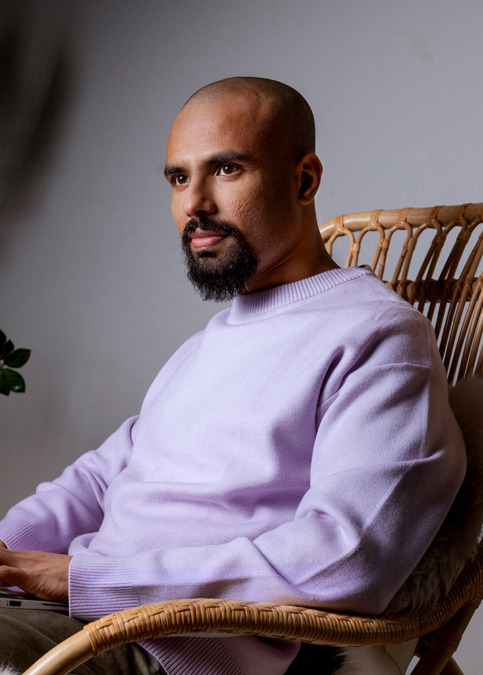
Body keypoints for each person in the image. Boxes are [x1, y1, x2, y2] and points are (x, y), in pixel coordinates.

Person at [0, 77, 466, 675]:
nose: (194, 202)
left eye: (226, 169)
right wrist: (9, 550)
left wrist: (85, 578)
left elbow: (348, 558)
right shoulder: (205, 345)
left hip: (170, 644)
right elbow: (100, 479)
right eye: (178, 178)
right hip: (74, 612)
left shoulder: (379, 337)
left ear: (304, 180)